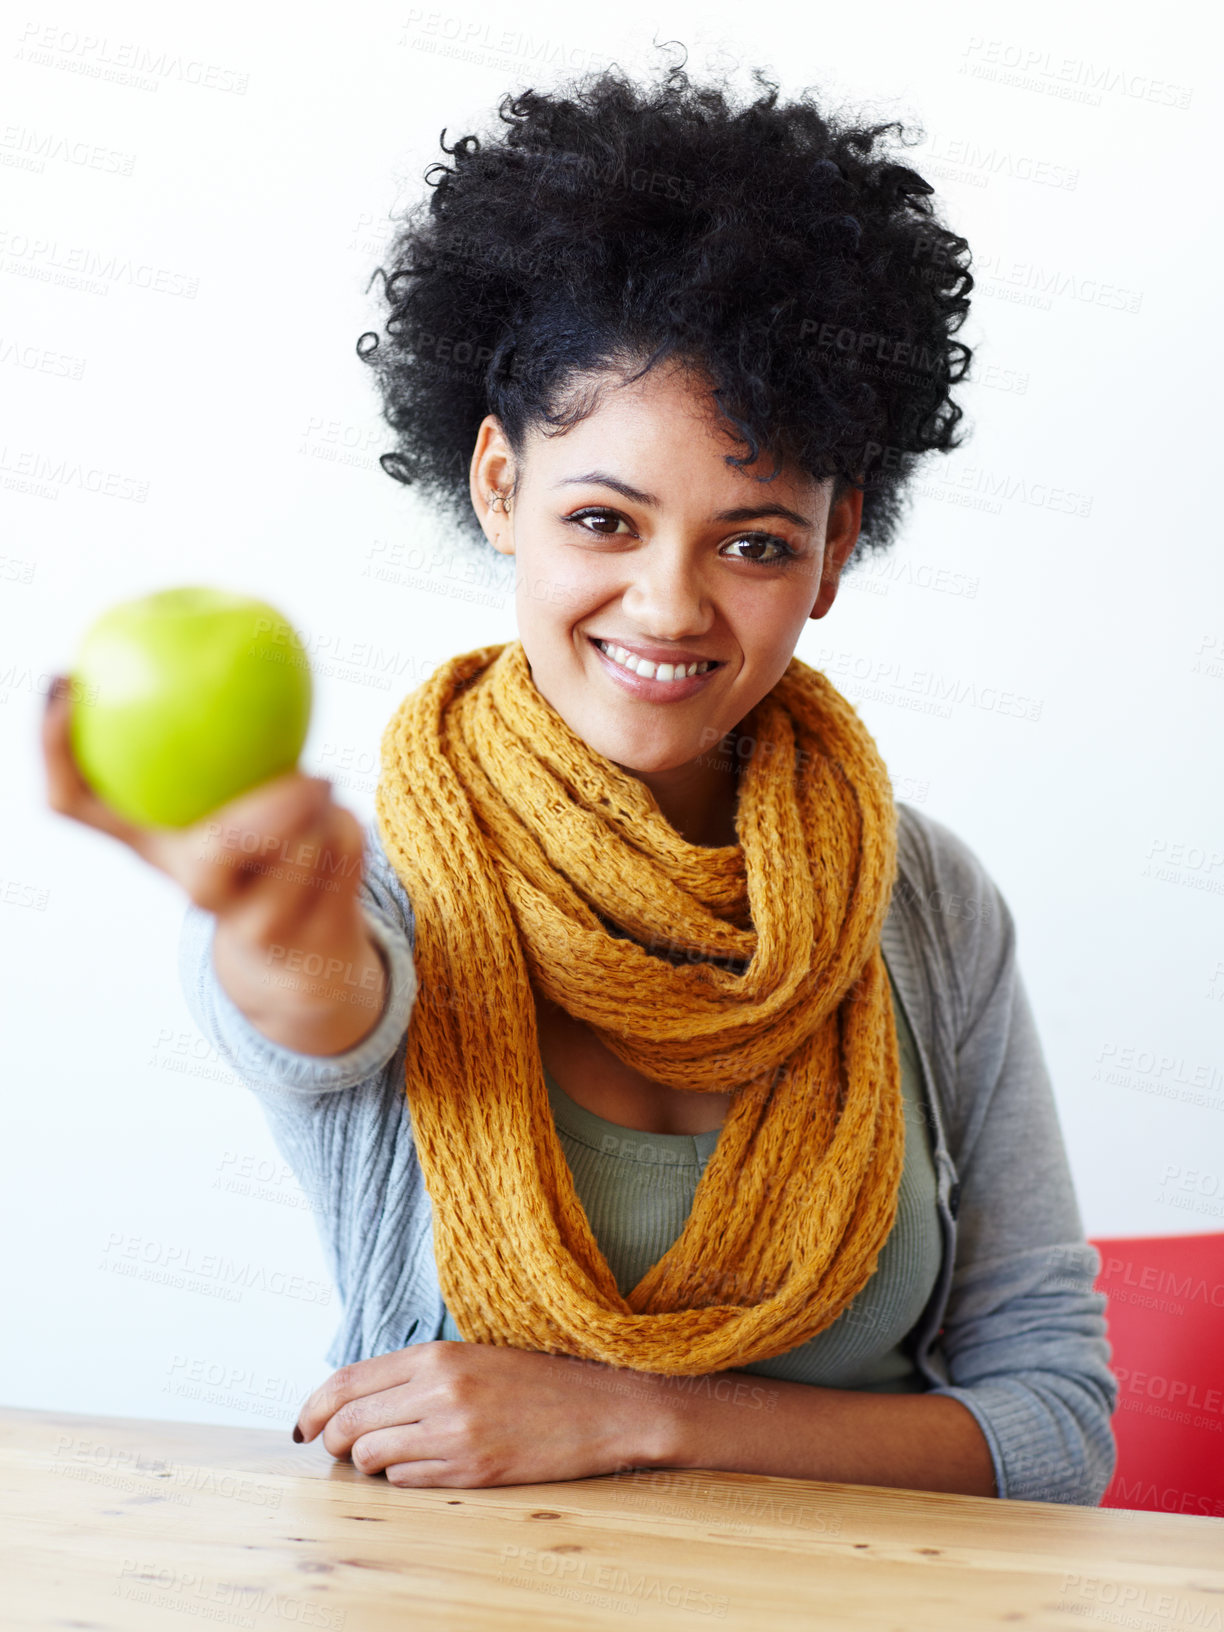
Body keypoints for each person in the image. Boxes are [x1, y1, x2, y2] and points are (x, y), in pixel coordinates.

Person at [42, 55, 1117, 1504]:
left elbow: (1055, 1429)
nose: (670, 607)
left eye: (753, 542)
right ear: (500, 486)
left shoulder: (925, 903)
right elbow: (319, 1002)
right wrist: (265, 928)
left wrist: (636, 1415)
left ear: (839, 542)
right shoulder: (366, 889)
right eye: (605, 518)